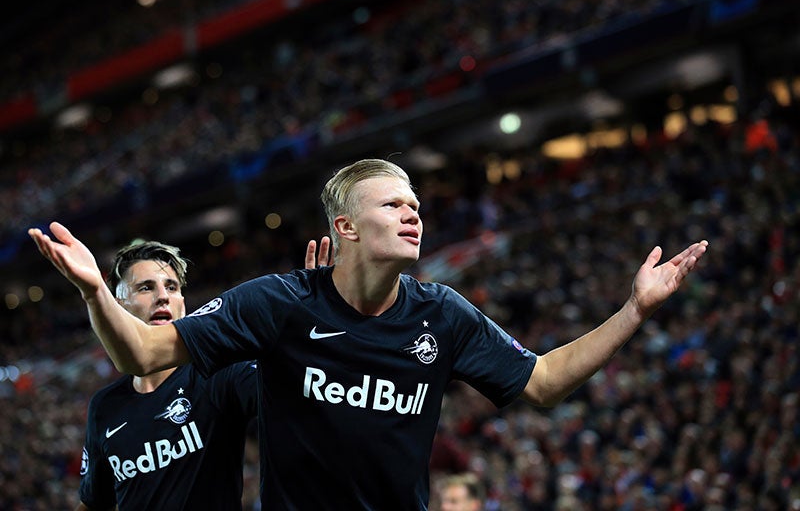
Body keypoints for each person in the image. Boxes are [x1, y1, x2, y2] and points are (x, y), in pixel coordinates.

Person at [30, 158, 708, 510]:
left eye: (416, 204)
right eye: (393, 203)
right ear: (346, 228)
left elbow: (543, 383)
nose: (413, 213)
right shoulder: (279, 304)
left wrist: (634, 312)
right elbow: (145, 352)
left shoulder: (444, 314)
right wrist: (94, 291)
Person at [74, 237, 331, 510]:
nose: (163, 296)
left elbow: (298, 390)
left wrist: (319, 326)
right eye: (146, 287)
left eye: (171, 287)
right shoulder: (104, 407)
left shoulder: (220, 373)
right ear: (118, 307)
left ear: (182, 304)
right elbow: (94, 503)